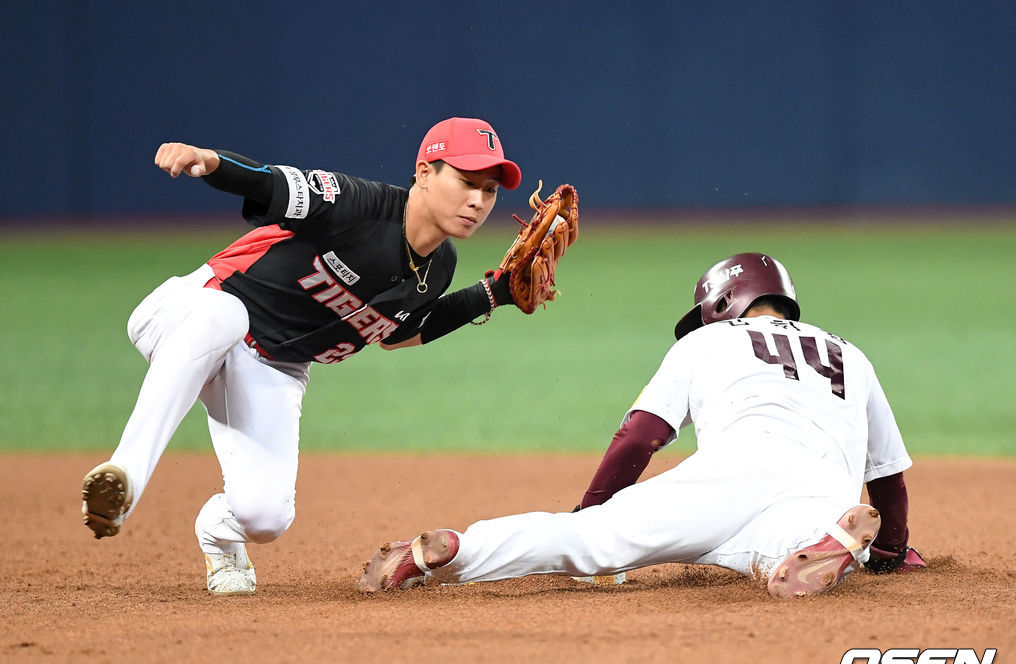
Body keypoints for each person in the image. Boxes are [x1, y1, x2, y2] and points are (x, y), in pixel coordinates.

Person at [82, 116, 526, 596]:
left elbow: (398, 334)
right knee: (228, 315)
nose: (478, 200)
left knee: (266, 515)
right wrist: (210, 163)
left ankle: (217, 533)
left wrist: (492, 294)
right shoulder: (358, 204)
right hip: (192, 311)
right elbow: (271, 183)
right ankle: (123, 477)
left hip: (271, 366)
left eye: (489, 190)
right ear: (423, 173)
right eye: (465, 181)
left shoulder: (441, 267)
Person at [358, 252, 926, 598]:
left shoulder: (710, 339)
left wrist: (593, 511)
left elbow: (641, 434)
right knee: (773, 550)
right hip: (825, 488)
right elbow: (889, 476)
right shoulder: (851, 354)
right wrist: (894, 552)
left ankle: (450, 551)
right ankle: (829, 546)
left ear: (722, 302)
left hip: (735, 471)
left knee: (589, 542)